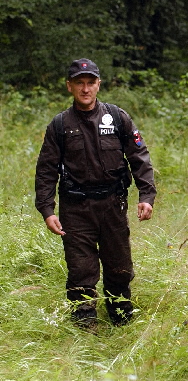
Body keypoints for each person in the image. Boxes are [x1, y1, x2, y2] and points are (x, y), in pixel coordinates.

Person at [35, 58, 156, 329]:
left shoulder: (117, 118)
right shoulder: (60, 125)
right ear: (70, 86)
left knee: (119, 266)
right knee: (81, 269)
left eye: (91, 83)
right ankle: (84, 323)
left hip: (113, 205)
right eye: (80, 83)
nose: (86, 89)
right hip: (75, 208)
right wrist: (47, 209)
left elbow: (140, 158)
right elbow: (46, 170)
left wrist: (146, 196)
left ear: (99, 84)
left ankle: (120, 317)